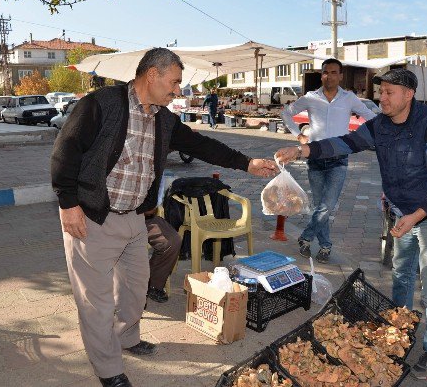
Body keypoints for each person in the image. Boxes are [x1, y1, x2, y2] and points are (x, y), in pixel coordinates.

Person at [51, 47, 277, 387]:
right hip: (92, 217)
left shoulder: (164, 119)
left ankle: (127, 337)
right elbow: (64, 151)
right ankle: (109, 371)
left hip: (135, 219)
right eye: (174, 82)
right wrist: (68, 205)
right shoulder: (101, 104)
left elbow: (203, 146)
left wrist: (248, 163)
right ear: (151, 74)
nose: (177, 91)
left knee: (135, 285)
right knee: (94, 300)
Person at [275, 68, 427, 381]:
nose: (381, 98)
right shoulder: (380, 126)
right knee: (401, 274)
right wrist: (302, 149)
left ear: (408, 94)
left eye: (389, 92)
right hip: (400, 211)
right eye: (381, 91)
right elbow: (344, 143)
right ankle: (397, 332)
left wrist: (416, 216)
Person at [280, 58, 377, 263]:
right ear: (321, 75)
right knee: (320, 206)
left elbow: (370, 116)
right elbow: (286, 113)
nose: (329, 76)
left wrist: (386, 127)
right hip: (314, 158)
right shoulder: (310, 98)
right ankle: (324, 246)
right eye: (325, 72)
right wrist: (298, 135)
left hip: (339, 159)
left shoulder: (349, 98)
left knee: (328, 205)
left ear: (340, 75)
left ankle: (306, 237)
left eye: (334, 72)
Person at [144, 208, 181, 303]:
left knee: (172, 241)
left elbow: (151, 207)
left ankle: (153, 284)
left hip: (143, 216)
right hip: (113, 217)